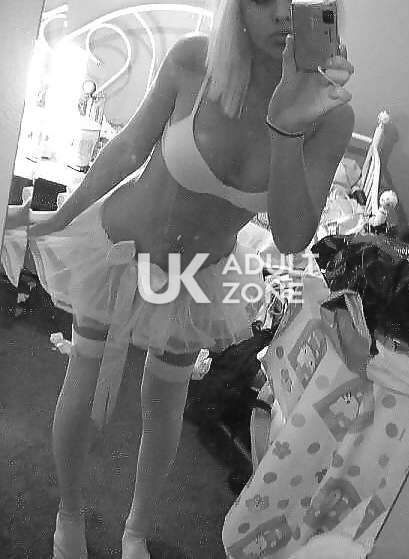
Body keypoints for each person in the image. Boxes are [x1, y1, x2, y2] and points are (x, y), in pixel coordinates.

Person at [10, 0, 354, 557]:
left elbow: (292, 236)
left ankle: (136, 530)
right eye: (262, 0)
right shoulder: (195, 62)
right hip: (120, 253)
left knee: (164, 403)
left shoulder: (330, 116)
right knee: (85, 382)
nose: (281, 15)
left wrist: (287, 128)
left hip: (196, 278)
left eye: (297, 1)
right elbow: (127, 148)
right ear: (237, 9)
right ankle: (68, 514)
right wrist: (60, 217)